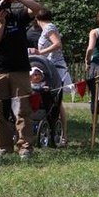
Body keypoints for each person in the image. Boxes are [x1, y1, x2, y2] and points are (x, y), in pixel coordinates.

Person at [0, 0, 42, 159]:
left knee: (22, 109)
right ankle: (4, 148)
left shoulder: (17, 17)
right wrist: (1, 24)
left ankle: (25, 148)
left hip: (20, 70)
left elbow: (37, 9)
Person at [32, 9, 72, 146]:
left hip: (56, 69)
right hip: (49, 68)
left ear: (37, 19)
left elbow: (57, 44)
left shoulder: (49, 27)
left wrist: (40, 52)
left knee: (57, 103)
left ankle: (64, 135)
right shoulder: (46, 29)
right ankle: (56, 132)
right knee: (54, 102)